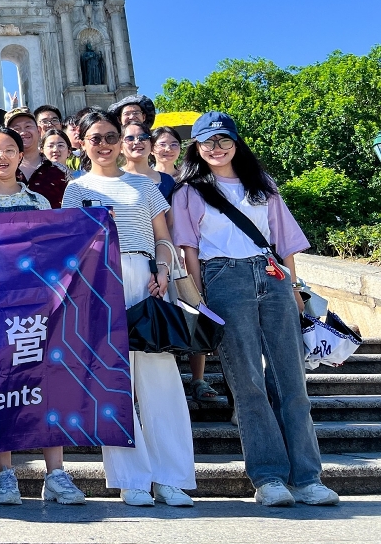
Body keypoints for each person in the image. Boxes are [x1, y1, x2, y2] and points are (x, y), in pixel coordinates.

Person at [170, 112, 338, 507]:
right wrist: (199, 296)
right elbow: (188, 249)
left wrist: (294, 287)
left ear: (236, 142)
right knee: (247, 384)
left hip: (272, 275)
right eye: (208, 142)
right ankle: (268, 477)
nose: (216, 148)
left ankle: (308, 477)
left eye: (224, 140)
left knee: (291, 381)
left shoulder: (261, 184)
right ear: (197, 147)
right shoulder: (189, 191)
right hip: (223, 278)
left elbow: (285, 240)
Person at [62, 111, 195, 508]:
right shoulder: (76, 189)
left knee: (161, 381)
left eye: (110, 137)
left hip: (145, 279)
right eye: (95, 138)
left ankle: (171, 477)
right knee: (114, 384)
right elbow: (71, 245)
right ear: (82, 144)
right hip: (101, 283)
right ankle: (131, 479)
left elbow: (163, 237)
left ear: (121, 141)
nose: (104, 145)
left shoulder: (143, 185)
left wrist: (164, 271)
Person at [0, 126, 87, 506]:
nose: (2, 156)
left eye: (10, 150)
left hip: (34, 307)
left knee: (45, 385)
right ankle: (5, 474)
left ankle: (56, 474)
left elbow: (53, 254)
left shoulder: (39, 202)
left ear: (20, 155)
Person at [4, 107, 69, 209]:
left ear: (38, 130)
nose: (23, 132)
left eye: (28, 126)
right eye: (16, 128)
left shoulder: (60, 171)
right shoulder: (1, 170)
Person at [121, 124, 176, 202]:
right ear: (120, 147)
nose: (137, 142)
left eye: (143, 137)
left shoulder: (168, 180)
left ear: (151, 145)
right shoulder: (112, 178)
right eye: (129, 138)